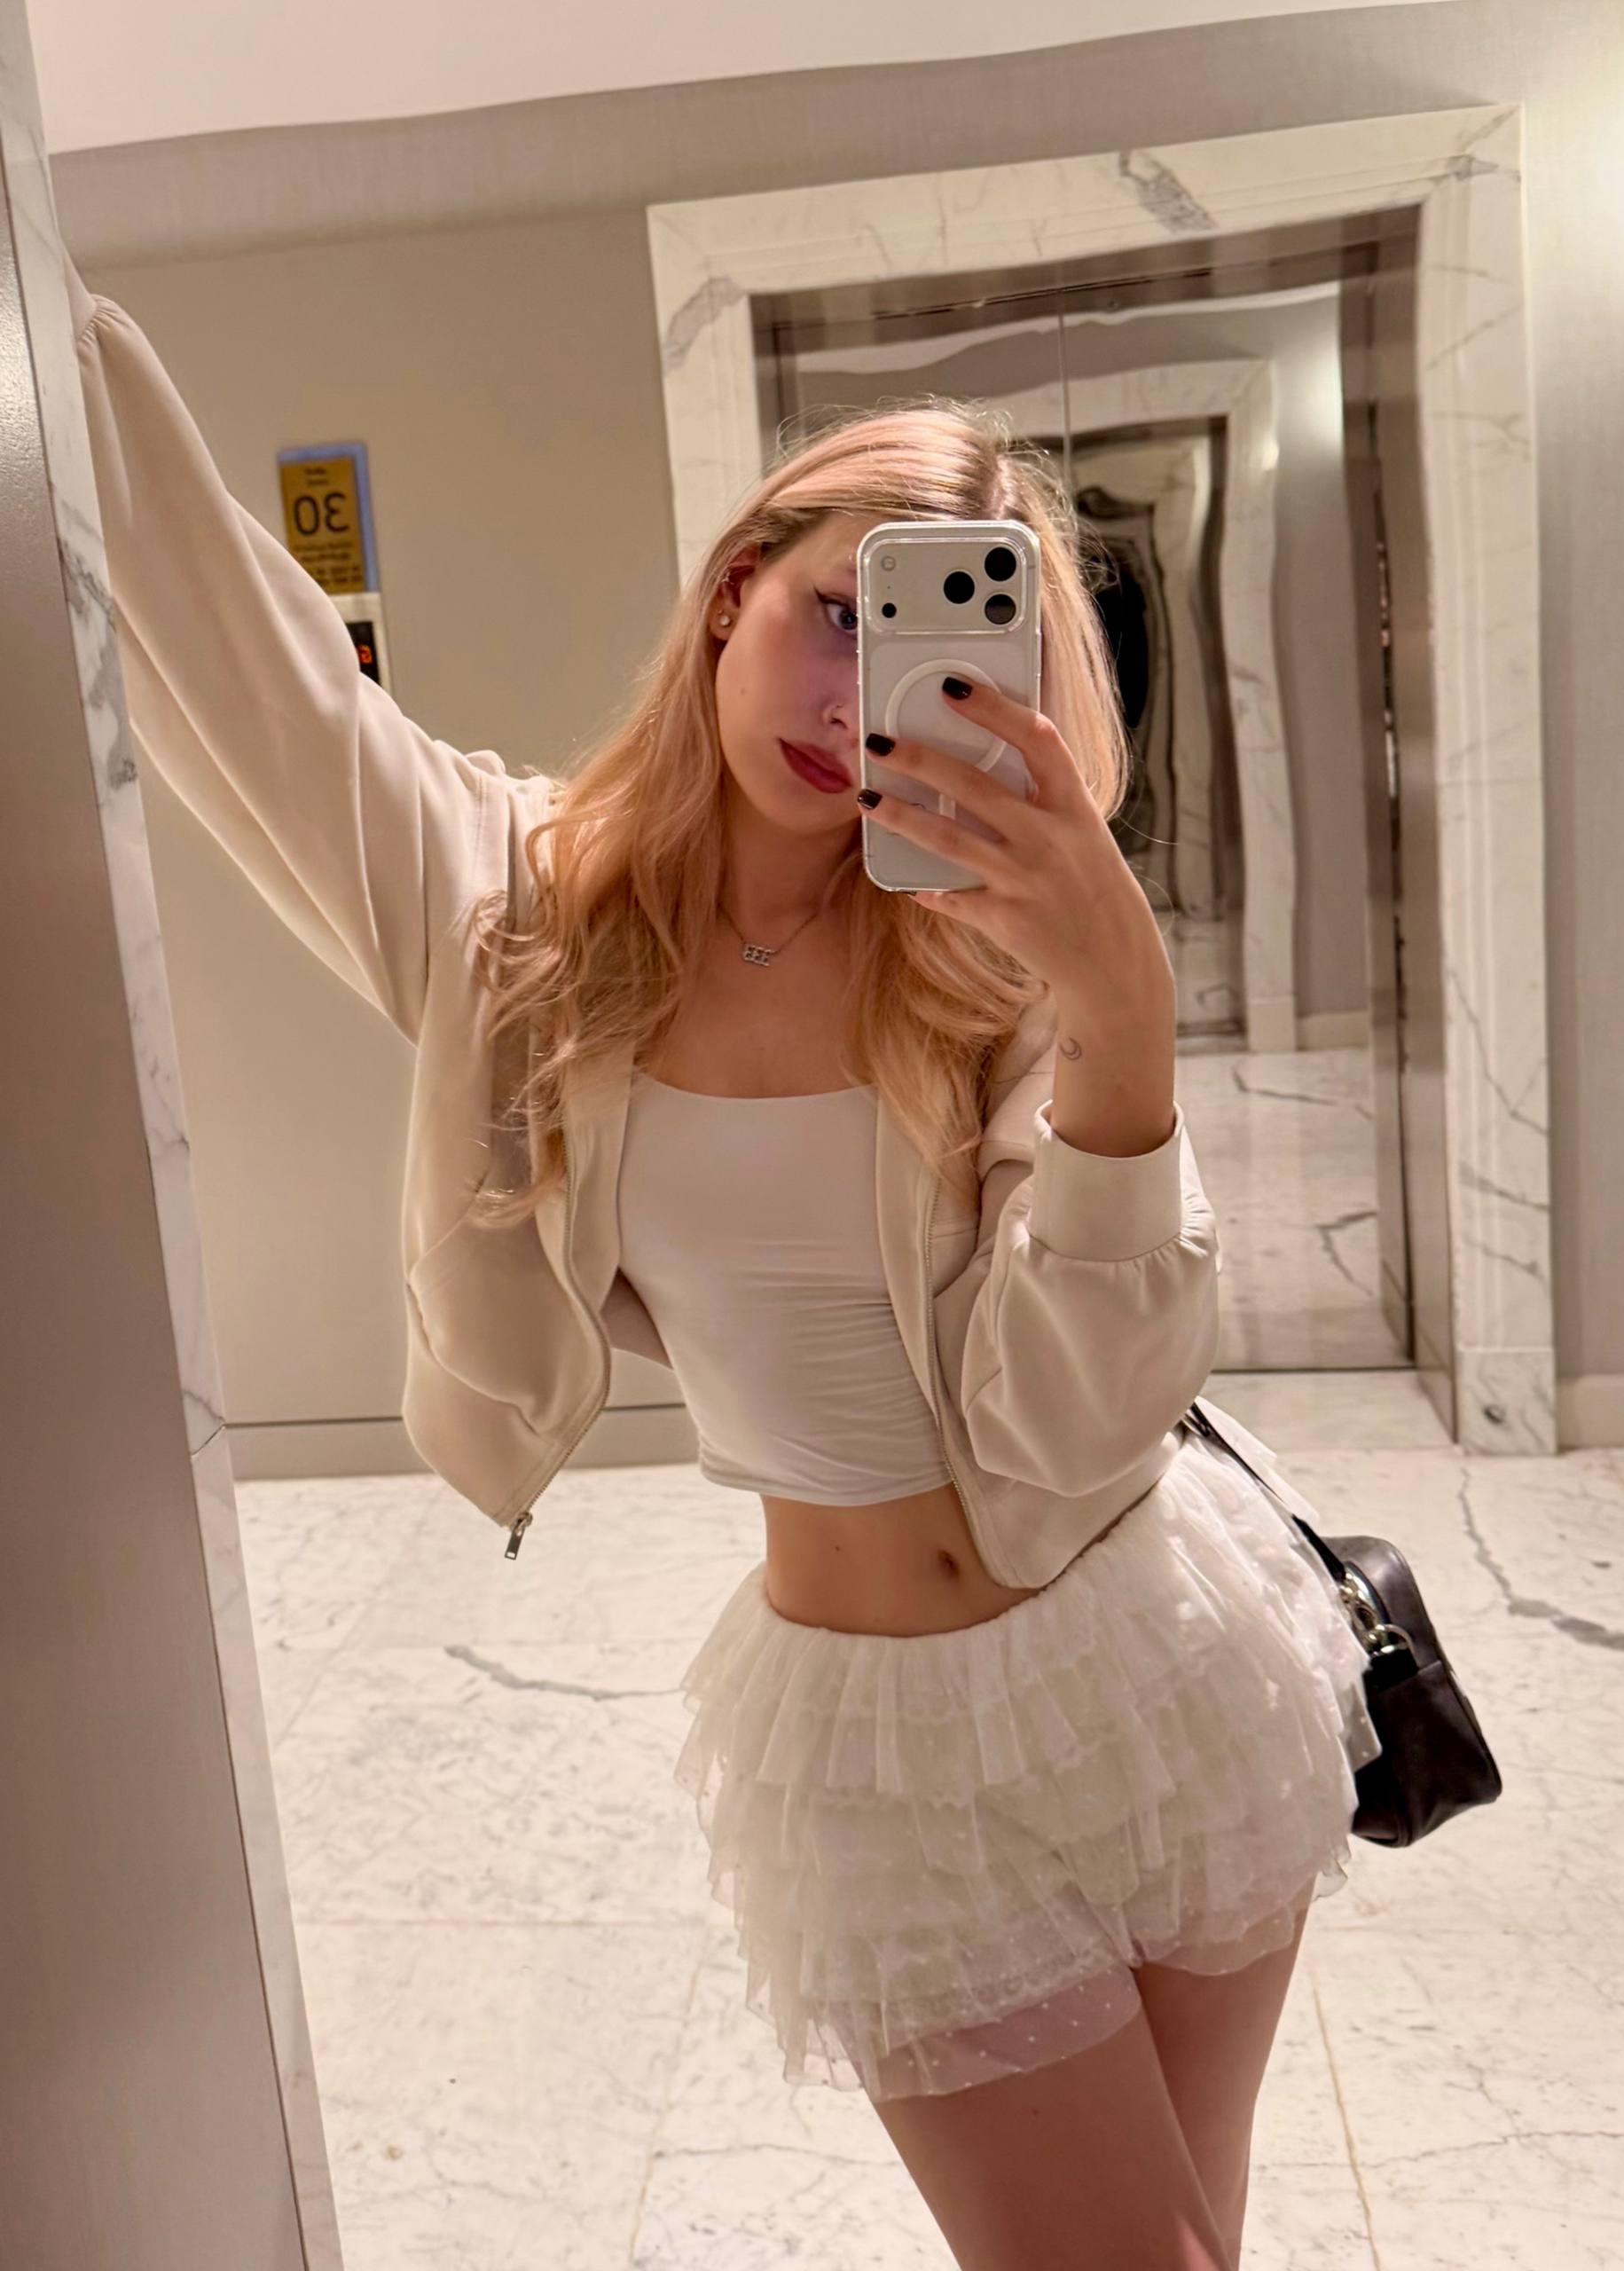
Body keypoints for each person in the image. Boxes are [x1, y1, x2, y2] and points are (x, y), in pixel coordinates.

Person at [65, 249, 1381, 2271]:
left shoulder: (1004, 958)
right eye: (835, 612)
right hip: (876, 1746)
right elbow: (247, 661)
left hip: (1158, 1648)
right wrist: (50, 299)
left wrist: (1121, 1023)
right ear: (728, 595)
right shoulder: (512, 906)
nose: (859, 695)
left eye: (942, 654)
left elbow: (1075, 1424)